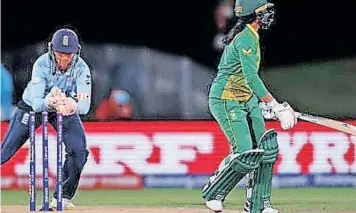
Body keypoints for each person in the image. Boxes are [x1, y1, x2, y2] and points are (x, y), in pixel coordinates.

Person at [201, 1, 298, 213]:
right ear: (253, 14)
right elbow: (251, 77)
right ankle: (214, 192)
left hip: (246, 99)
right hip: (226, 99)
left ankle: (258, 204)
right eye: (265, 11)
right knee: (244, 151)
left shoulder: (252, 36)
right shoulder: (245, 37)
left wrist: (263, 105)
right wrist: (274, 104)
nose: (269, 15)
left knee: (266, 149)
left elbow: (248, 82)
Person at [0, 27, 92, 210]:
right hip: (32, 108)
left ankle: (63, 197)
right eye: (60, 54)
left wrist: (70, 105)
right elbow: (36, 103)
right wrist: (50, 101)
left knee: (79, 151)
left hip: (63, 108)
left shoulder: (82, 68)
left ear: (76, 52)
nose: (64, 59)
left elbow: (84, 106)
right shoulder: (42, 64)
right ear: (52, 49)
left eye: (69, 55)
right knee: (5, 151)